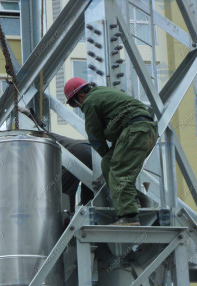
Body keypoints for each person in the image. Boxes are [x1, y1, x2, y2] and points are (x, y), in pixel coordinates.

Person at [64, 78, 158, 226]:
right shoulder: (102, 92)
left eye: (75, 105)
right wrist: (108, 155)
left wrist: (103, 151)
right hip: (144, 131)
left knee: (118, 172)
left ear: (81, 97)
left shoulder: (90, 101)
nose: (78, 108)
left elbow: (94, 134)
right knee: (108, 163)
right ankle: (136, 200)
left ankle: (129, 217)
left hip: (135, 131)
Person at [18, 106, 94, 212]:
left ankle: (66, 220)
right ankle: (88, 217)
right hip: (90, 151)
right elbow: (39, 128)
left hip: (74, 154)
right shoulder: (41, 136)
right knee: (90, 195)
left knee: (62, 193)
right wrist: (31, 115)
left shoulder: (30, 142)